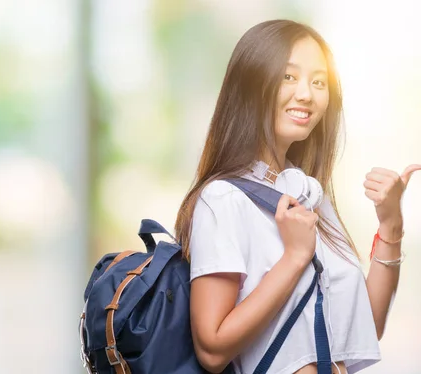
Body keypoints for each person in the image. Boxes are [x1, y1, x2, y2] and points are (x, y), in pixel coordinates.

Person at [174, 19, 421, 374]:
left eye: (319, 82)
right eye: (289, 76)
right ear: (251, 83)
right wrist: (293, 258)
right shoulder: (223, 199)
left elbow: (367, 326)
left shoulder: (307, 194)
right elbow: (212, 349)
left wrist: (391, 224)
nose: (306, 94)